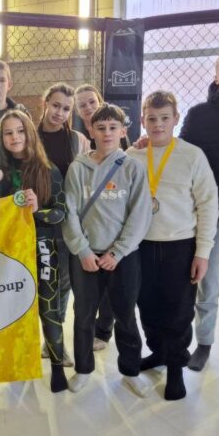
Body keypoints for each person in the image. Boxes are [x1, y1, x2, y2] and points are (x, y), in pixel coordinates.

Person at [128, 91, 218, 400]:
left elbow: (208, 204)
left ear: (176, 119)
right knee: (147, 305)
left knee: (178, 308)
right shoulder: (133, 155)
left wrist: (202, 252)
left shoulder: (192, 156)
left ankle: (177, 365)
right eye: (151, 119)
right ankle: (159, 352)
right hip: (141, 245)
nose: (158, 124)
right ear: (143, 120)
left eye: (165, 118)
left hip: (180, 245)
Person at [62, 103, 152, 397]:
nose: (107, 133)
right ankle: (83, 369)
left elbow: (140, 214)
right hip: (86, 255)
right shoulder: (78, 168)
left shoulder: (133, 167)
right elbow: (70, 212)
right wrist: (83, 250)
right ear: (91, 131)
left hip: (122, 257)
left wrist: (118, 252)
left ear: (123, 131)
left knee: (125, 314)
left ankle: (131, 371)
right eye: (101, 128)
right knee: (84, 314)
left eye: (113, 127)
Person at [0, 109, 68, 393]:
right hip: (9, 252)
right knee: (14, 309)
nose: (15, 137)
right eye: (8, 133)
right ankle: (18, 365)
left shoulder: (49, 170)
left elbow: (61, 213)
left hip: (44, 248)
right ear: (1, 139)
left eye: (20, 131)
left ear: (30, 134)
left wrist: (37, 211)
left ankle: (58, 367)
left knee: (48, 309)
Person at [180, 48, 219, 372]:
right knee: (208, 287)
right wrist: (149, 144)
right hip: (213, 217)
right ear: (217, 77)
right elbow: (180, 154)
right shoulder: (199, 115)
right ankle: (203, 344)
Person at [37, 82, 90, 367]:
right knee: (37, 282)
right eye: (56, 105)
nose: (60, 112)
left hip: (65, 220)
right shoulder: (28, 135)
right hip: (32, 221)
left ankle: (54, 341)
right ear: (45, 103)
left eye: (66, 109)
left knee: (63, 284)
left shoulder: (77, 141)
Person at [74, 84, 121, 351]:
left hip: (112, 224)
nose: (88, 107)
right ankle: (85, 330)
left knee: (111, 289)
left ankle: (103, 331)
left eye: (91, 102)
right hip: (84, 221)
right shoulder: (76, 138)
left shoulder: (113, 131)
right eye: (82, 105)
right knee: (85, 288)